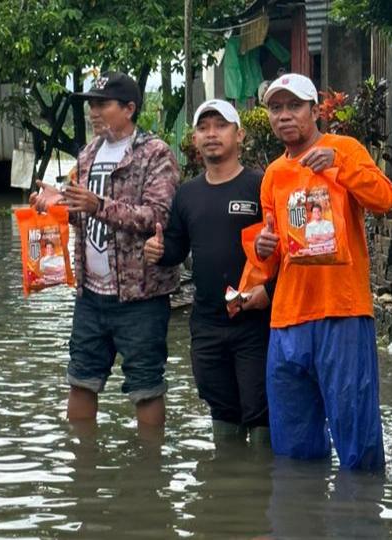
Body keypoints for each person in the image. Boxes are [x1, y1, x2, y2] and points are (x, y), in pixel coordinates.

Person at [249, 73, 392, 470]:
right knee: (293, 445)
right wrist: (264, 251)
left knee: (357, 439)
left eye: (294, 106)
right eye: (276, 108)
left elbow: (385, 198)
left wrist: (340, 165)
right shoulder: (273, 175)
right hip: (287, 319)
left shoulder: (343, 148)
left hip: (343, 312)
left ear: (315, 111)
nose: (284, 116)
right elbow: (270, 250)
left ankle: (360, 522)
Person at [33, 71, 179, 428]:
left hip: (140, 296)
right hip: (90, 294)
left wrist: (99, 205)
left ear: (129, 108)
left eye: (102, 104)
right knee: (80, 381)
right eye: (90, 105)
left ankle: (148, 473)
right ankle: (83, 471)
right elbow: (81, 215)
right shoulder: (87, 154)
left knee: (146, 387)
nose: (93, 112)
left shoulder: (154, 153)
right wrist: (55, 205)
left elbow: (157, 216)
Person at [144, 99, 272, 444]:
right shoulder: (187, 194)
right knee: (221, 410)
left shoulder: (261, 186)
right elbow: (176, 249)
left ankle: (261, 485)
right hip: (208, 322)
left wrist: (269, 292)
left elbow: (286, 251)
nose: (211, 134)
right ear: (195, 139)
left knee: (261, 411)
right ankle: (223, 487)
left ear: (239, 134)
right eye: (203, 128)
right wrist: (157, 251)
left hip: (255, 321)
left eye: (220, 126)